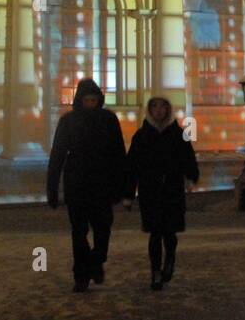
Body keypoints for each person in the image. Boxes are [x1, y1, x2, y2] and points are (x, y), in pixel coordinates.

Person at [47, 78, 129, 293]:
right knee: (79, 233)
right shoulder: (68, 122)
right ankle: (81, 276)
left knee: (103, 230)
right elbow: (57, 156)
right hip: (77, 185)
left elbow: (119, 155)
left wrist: (123, 186)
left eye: (94, 99)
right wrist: (52, 189)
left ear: (99, 100)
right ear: (80, 100)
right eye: (87, 100)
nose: (91, 103)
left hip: (103, 185)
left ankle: (96, 261)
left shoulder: (109, 120)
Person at [125, 96, 199, 290]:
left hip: (172, 191)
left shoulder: (178, 134)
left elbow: (188, 158)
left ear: (168, 109)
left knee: (170, 234)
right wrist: (128, 194)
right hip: (150, 192)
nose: (159, 111)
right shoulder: (141, 136)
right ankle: (155, 272)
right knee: (155, 234)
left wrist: (191, 177)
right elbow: (132, 167)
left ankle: (170, 259)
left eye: (163, 107)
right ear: (150, 110)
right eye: (155, 107)